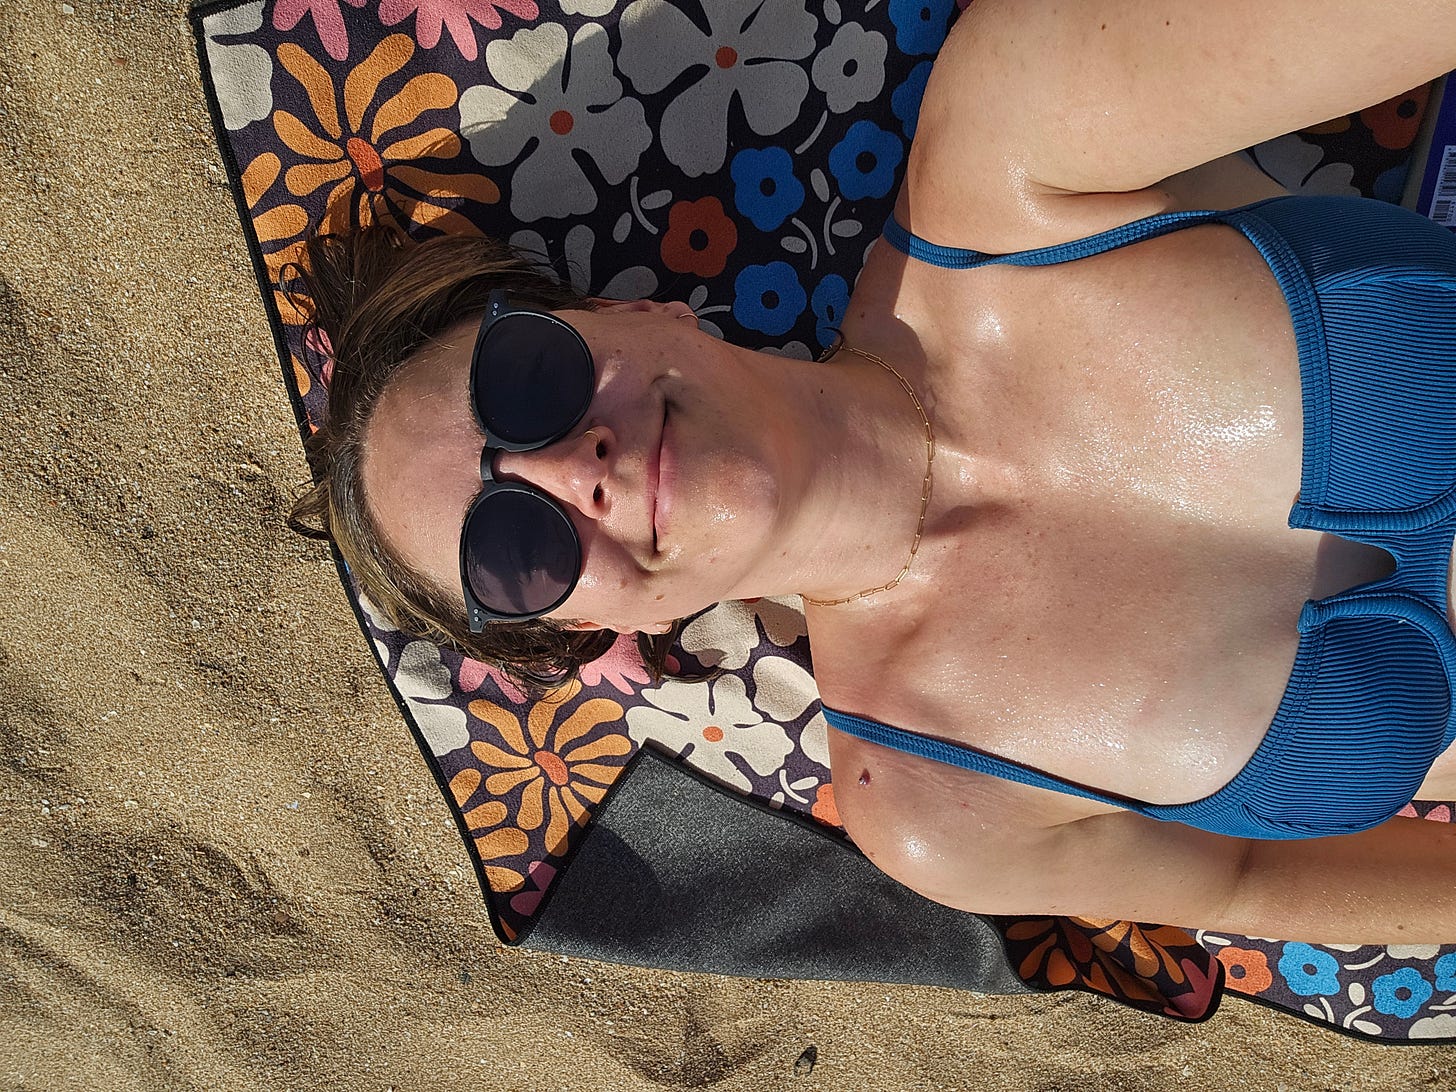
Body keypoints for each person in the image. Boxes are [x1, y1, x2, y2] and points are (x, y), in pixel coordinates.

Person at [290, 0, 1456, 942]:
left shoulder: (1016, 151)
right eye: (514, 549)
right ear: (598, 628)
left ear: (634, 314)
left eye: (525, 379)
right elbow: (1244, 886)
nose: (559, 468)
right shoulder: (941, 815)